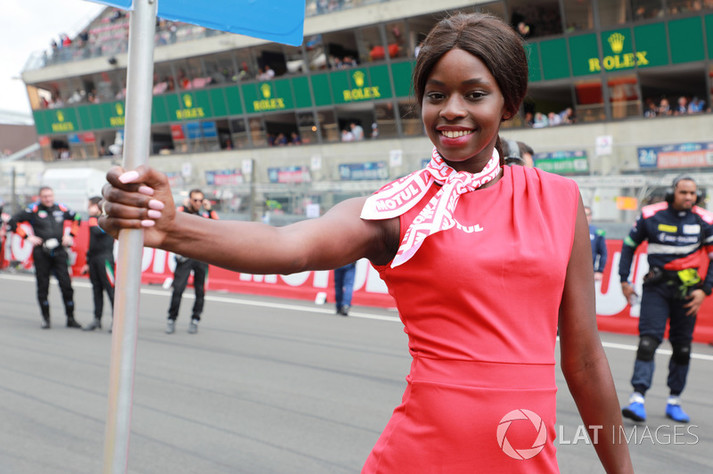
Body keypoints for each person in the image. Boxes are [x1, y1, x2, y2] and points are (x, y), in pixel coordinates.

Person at [100, 12, 632, 472]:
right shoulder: (398, 208)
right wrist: (171, 227)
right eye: (435, 95)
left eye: (474, 94)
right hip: (420, 456)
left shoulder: (558, 198)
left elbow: (585, 361)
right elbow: (289, 246)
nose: (451, 110)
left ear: (508, 103)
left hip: (524, 457)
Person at [619, 175, 712, 423]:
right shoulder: (651, 214)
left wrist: (705, 290)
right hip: (656, 289)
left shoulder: (705, 219)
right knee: (648, 342)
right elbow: (629, 246)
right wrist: (624, 280)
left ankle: (674, 400)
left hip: (688, 292)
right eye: (683, 192)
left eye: (692, 193)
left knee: (683, 348)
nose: (688, 197)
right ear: (672, 193)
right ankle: (637, 398)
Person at [8, 186, 82, 329]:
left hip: (59, 251)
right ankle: (46, 318)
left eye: (50, 196)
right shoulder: (33, 209)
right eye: (45, 196)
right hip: (41, 253)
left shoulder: (61, 208)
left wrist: (71, 235)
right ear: (40, 197)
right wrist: (27, 237)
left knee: (67, 286)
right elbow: (12, 221)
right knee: (43, 286)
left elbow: (77, 217)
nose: (48, 199)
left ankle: (71, 318)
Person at [166, 189, 219, 334]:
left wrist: (210, 210)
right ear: (190, 200)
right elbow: (171, 219)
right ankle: (171, 319)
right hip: (185, 256)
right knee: (178, 289)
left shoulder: (205, 216)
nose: (198, 203)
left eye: (200, 200)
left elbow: (219, 226)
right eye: (195, 200)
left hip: (202, 257)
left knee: (200, 291)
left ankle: (195, 319)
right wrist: (183, 207)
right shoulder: (183, 213)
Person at [81, 197, 115, 332]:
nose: (88, 208)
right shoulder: (93, 220)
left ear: (97, 206)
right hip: (94, 259)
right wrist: (87, 262)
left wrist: (92, 219)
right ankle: (97, 319)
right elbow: (92, 242)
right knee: (96, 290)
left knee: (111, 290)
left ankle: (116, 320)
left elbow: (98, 231)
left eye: (90, 206)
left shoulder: (106, 220)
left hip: (105, 258)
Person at [586, 206, 607, 281]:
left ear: (590, 216)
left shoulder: (597, 232)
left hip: (589, 271)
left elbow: (603, 253)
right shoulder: (572, 230)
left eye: (587, 214)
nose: (585, 217)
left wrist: (600, 270)